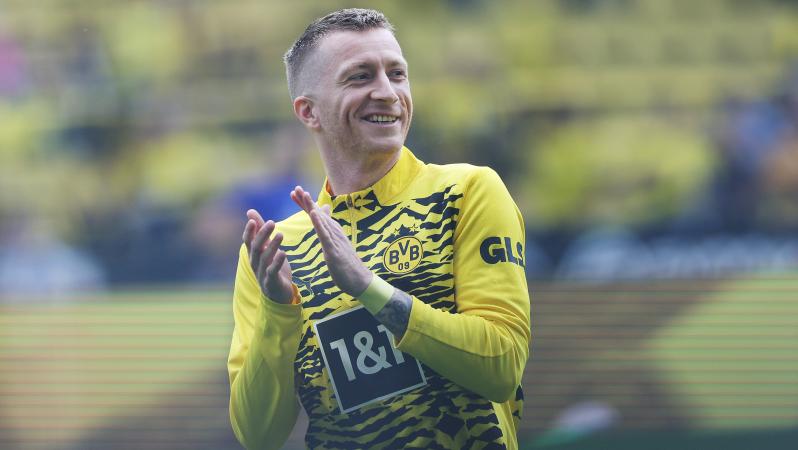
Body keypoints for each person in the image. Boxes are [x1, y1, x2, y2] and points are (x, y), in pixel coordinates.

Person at [227, 8, 530, 449]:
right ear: (309, 111)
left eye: (397, 74)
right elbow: (258, 435)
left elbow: (502, 367)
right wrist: (278, 311)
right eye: (360, 77)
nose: (388, 93)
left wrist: (370, 289)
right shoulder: (277, 249)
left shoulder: (465, 191)